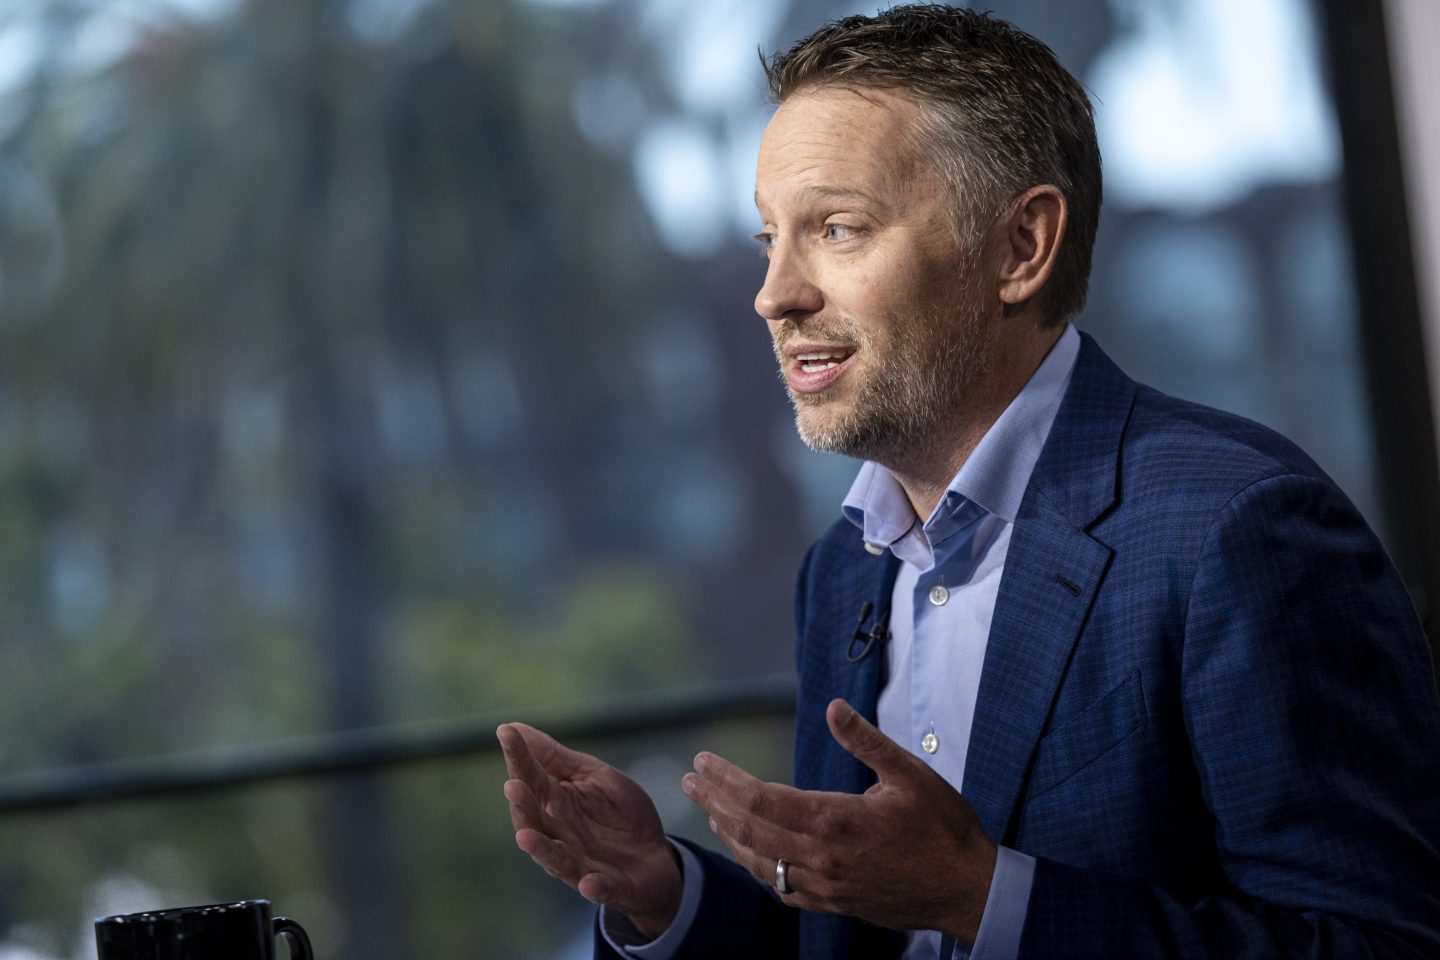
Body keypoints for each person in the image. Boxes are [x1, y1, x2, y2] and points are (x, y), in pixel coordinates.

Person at [497, 6, 1440, 957]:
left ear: (1021, 247)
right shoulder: (842, 570)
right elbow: (857, 934)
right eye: (769, 237)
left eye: (837, 229)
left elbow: (1383, 945)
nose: (775, 293)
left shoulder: (1239, 532)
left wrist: (984, 898)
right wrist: (668, 894)